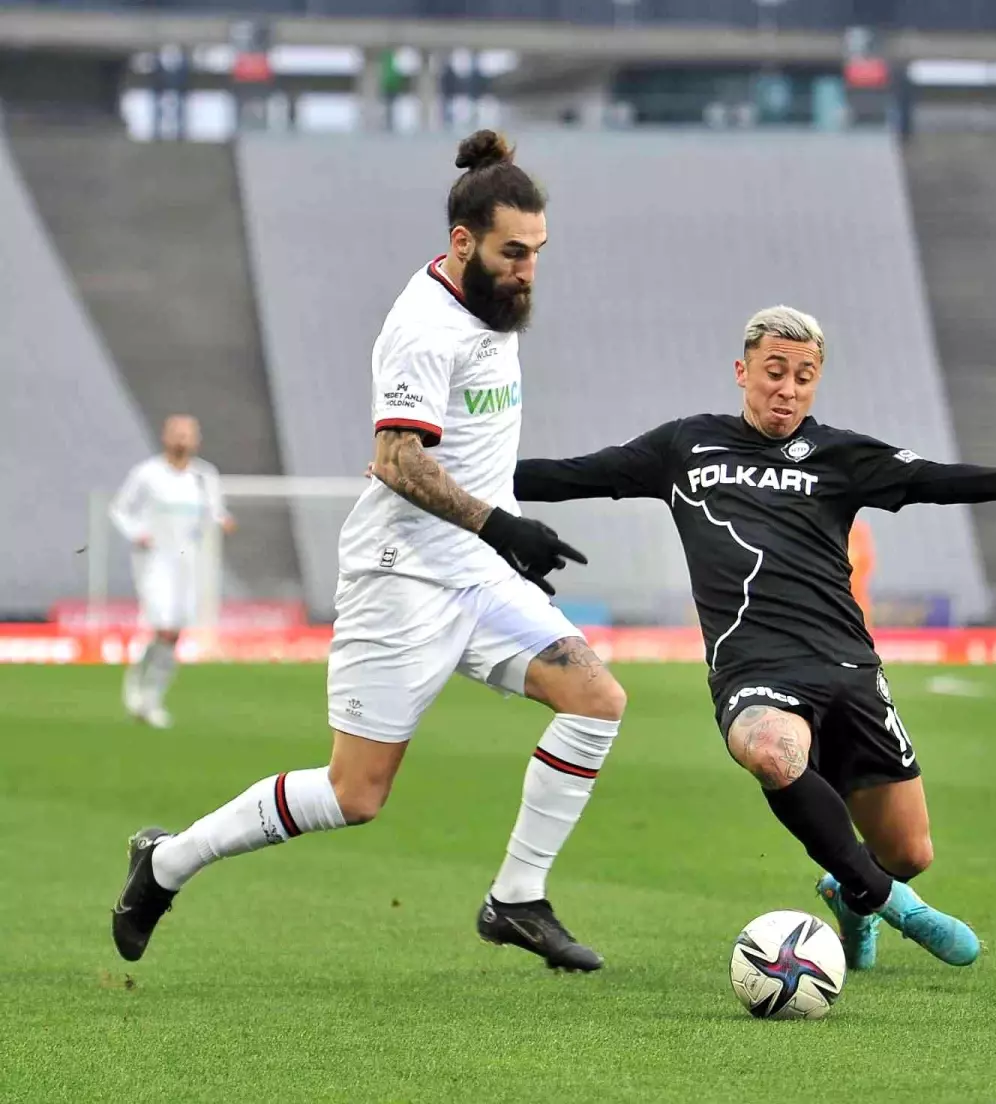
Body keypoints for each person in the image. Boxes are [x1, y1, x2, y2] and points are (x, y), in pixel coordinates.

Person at [112, 130, 626, 973]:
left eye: (537, 251)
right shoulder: (423, 327)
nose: (529, 270)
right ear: (461, 244)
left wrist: (499, 158)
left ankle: (516, 899)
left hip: (478, 573)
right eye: (513, 253)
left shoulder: (491, 296)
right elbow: (396, 459)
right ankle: (165, 863)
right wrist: (501, 524)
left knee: (596, 698)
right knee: (355, 795)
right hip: (405, 575)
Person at [512, 306, 996, 971]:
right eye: (774, 373)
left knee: (911, 852)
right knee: (771, 750)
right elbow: (572, 474)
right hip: (754, 667)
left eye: (803, 377)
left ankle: (854, 893)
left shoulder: (840, 455)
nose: (787, 389)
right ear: (743, 373)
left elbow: (939, 481)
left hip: (849, 667)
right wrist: (459, 477)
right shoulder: (685, 446)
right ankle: (892, 904)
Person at [109, 415, 235, 729]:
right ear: (165, 437)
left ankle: (151, 698)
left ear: (197, 440)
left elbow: (216, 510)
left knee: (174, 633)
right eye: (177, 433)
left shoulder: (205, 476)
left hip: (188, 562)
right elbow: (119, 509)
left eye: (188, 434)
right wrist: (137, 531)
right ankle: (140, 689)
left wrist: (223, 520)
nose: (182, 439)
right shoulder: (147, 473)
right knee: (162, 626)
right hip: (154, 561)